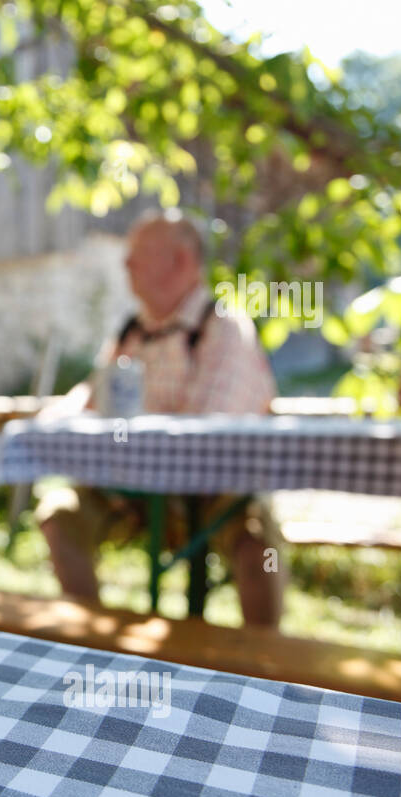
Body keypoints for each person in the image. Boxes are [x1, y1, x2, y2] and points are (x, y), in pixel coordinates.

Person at [36, 211, 284, 628]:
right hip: (131, 490)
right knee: (59, 514)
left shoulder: (222, 329)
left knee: (256, 540)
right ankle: (94, 641)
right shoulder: (133, 330)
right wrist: (51, 419)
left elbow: (208, 432)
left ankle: (265, 661)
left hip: (212, 495)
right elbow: (94, 394)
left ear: (181, 262)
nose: (126, 264)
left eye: (139, 255)